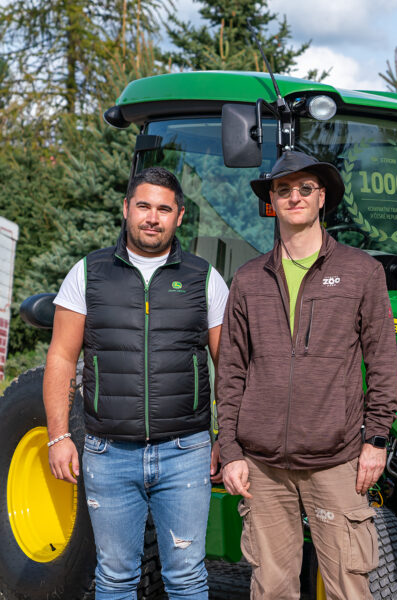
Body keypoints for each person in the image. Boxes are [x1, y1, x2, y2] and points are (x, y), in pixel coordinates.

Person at [216, 150, 397, 600]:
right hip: (262, 466)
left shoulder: (361, 272)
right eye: (283, 189)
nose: (294, 197)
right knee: (272, 587)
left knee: (349, 588)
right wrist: (231, 449)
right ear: (271, 201)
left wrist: (376, 439)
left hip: (337, 462)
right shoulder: (248, 279)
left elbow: (382, 359)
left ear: (322, 199)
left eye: (304, 189)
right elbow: (232, 369)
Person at [44, 166, 228, 600]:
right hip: (108, 453)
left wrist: (228, 438)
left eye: (164, 209)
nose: (152, 217)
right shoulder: (87, 274)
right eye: (143, 205)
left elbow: (230, 367)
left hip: (186, 452)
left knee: (186, 578)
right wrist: (58, 437)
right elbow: (61, 357)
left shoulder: (205, 280)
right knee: (115, 576)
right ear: (126, 208)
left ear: (179, 217)